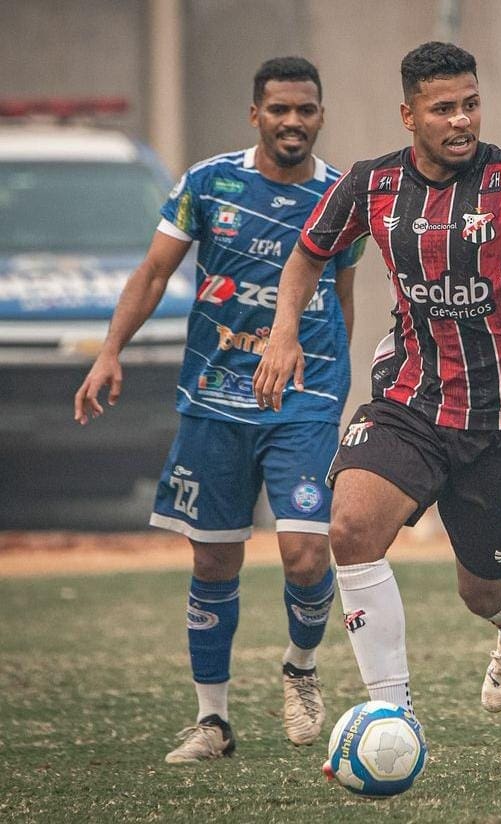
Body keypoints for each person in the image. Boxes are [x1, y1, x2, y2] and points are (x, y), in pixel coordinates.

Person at [252, 40, 501, 756]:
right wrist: (283, 332)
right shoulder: (371, 184)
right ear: (409, 115)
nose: (461, 120)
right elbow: (308, 254)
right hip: (410, 398)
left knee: (482, 591)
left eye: (471, 105)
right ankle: (392, 718)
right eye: (444, 108)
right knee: (351, 530)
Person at [73, 57, 364, 762]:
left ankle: (301, 667)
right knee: (213, 559)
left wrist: (331, 383)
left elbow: (342, 295)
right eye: (279, 109)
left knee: (305, 553)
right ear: (255, 114)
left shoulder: (341, 199)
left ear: (321, 116)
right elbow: (153, 273)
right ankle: (213, 721)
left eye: (305, 110)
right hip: (214, 397)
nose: (292, 121)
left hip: (304, 400)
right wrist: (110, 350)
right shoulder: (207, 183)